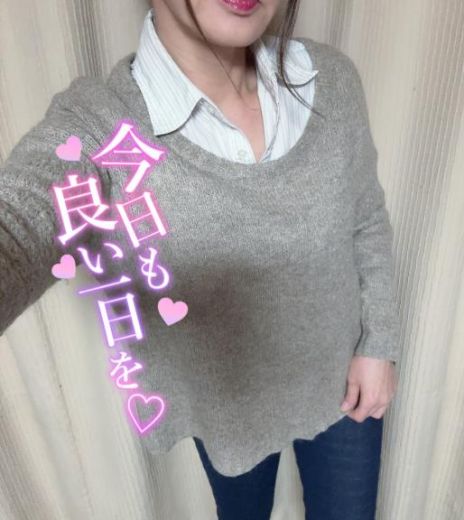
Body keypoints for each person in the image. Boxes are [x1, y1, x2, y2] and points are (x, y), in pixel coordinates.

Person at [0, 0, 401, 518]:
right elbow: (21, 218)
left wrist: (379, 344)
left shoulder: (332, 79)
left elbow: (365, 216)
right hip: (227, 407)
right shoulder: (102, 127)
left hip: (343, 377)